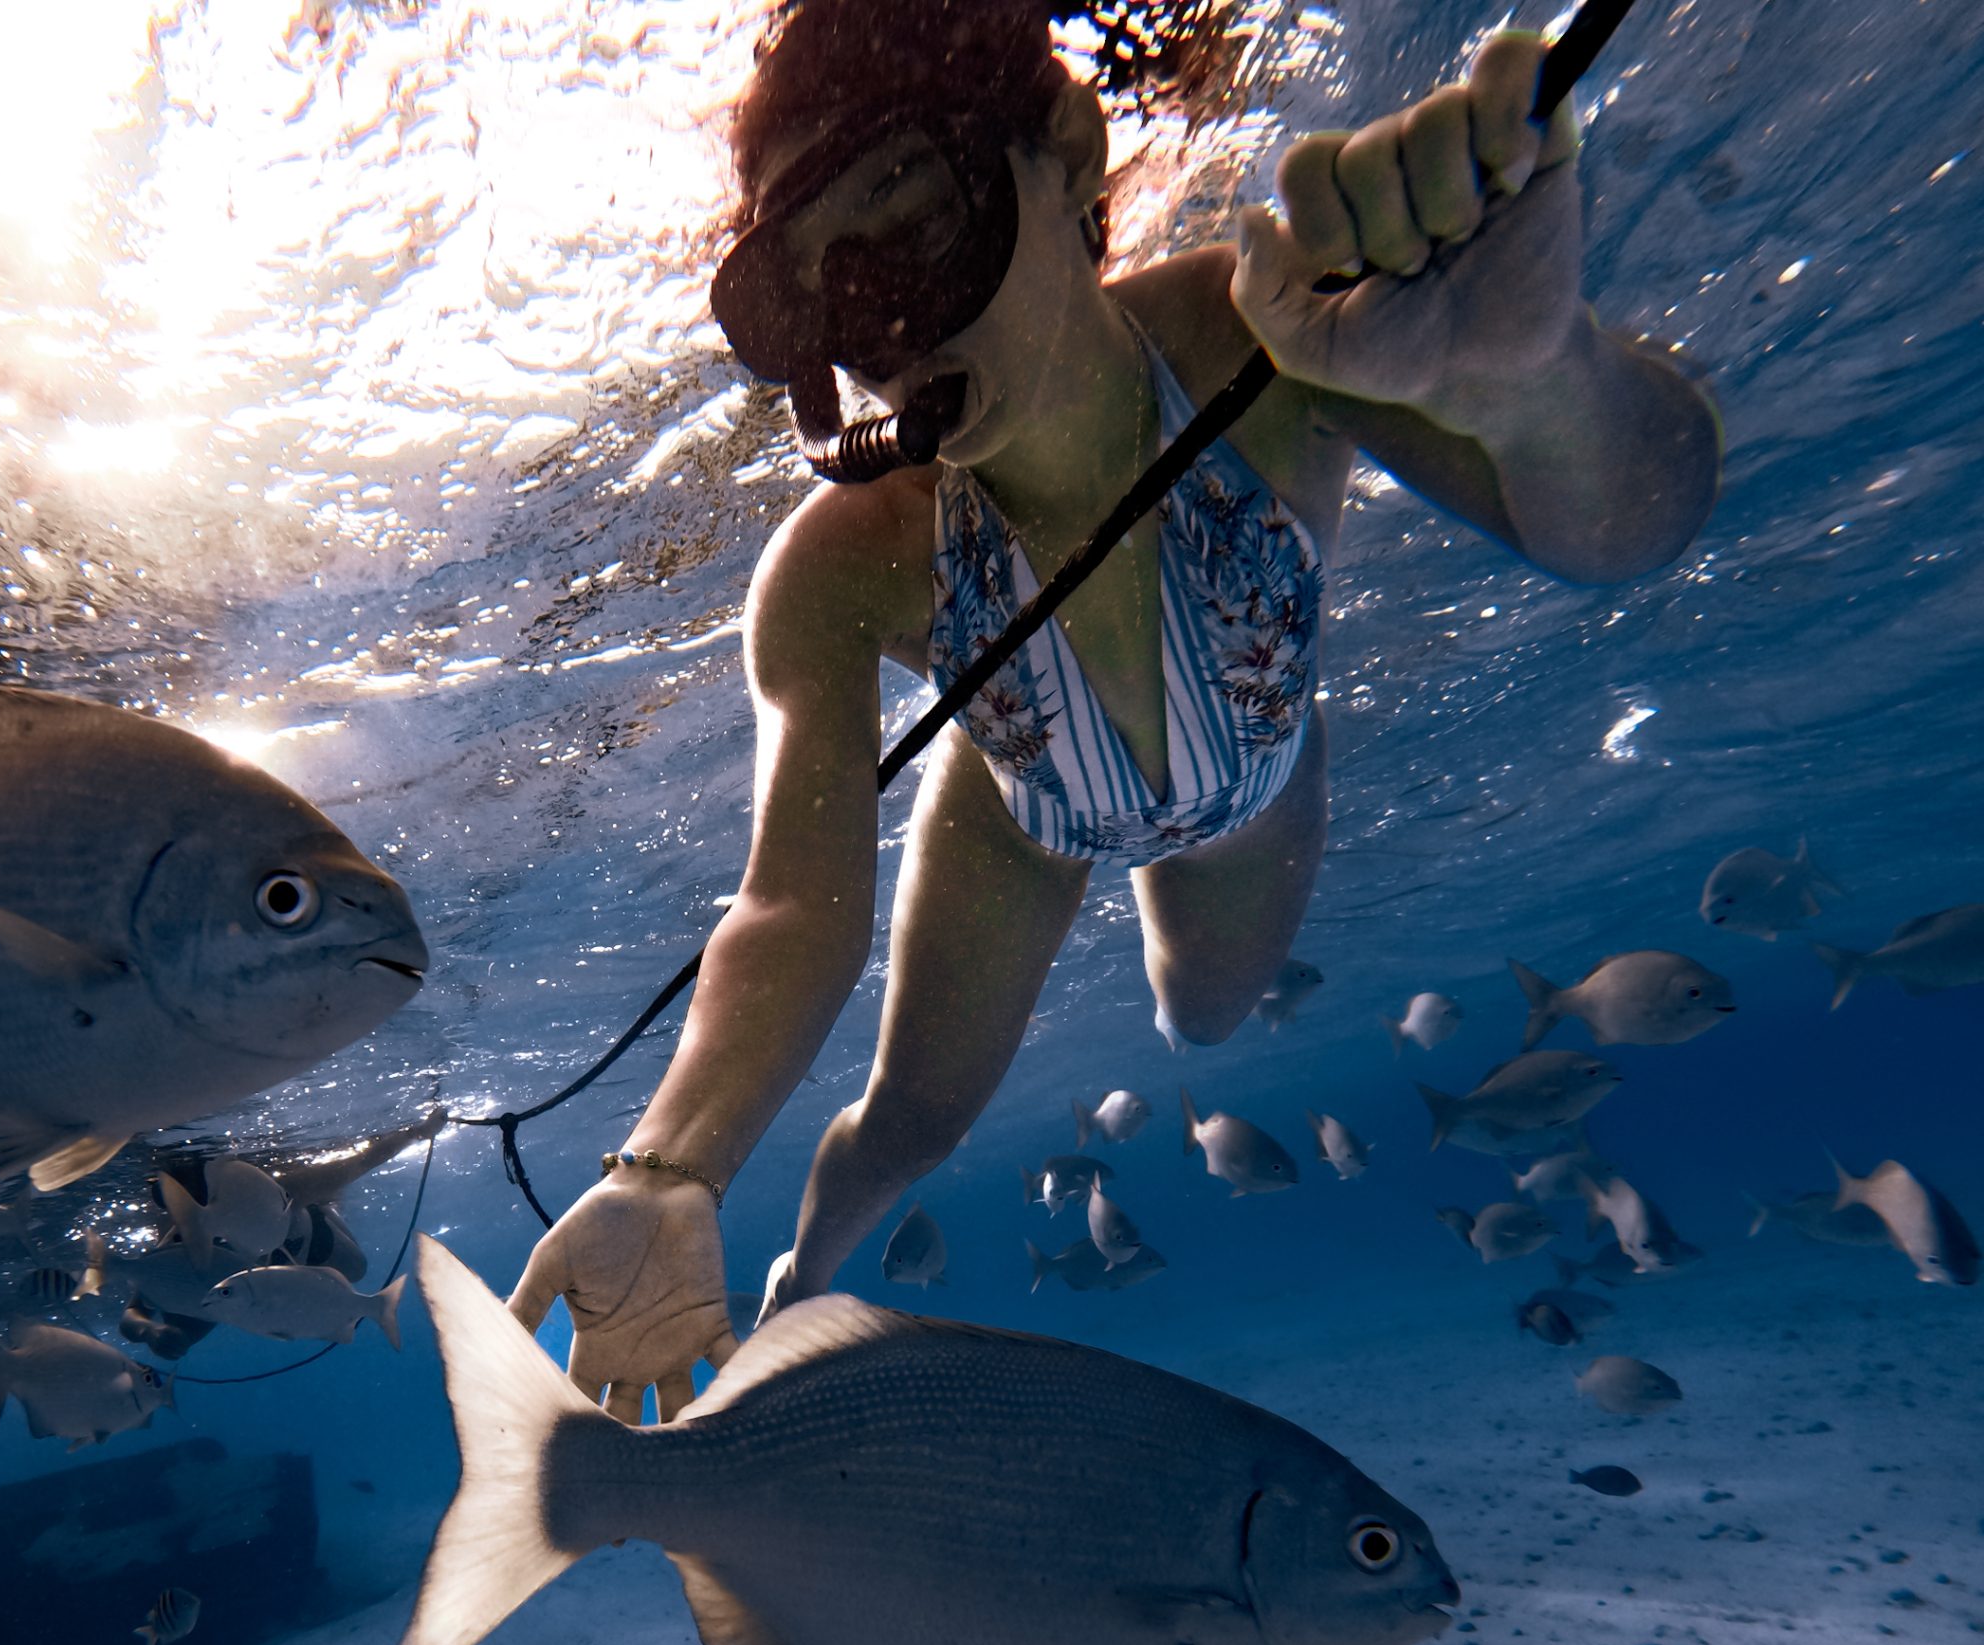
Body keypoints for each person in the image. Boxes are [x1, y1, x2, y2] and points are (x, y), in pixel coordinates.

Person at [508, 0, 1719, 1421]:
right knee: (911, 1118)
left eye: (909, 208)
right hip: (1025, 809)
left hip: (1256, 776)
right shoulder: (841, 565)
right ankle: (801, 1290)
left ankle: (1250, 772)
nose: (885, 329)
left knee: (1202, 1017)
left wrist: (1537, 383)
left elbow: (1629, 527)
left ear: (1070, 151)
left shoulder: (1264, 332)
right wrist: (671, 1168)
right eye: (820, 290)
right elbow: (791, 905)